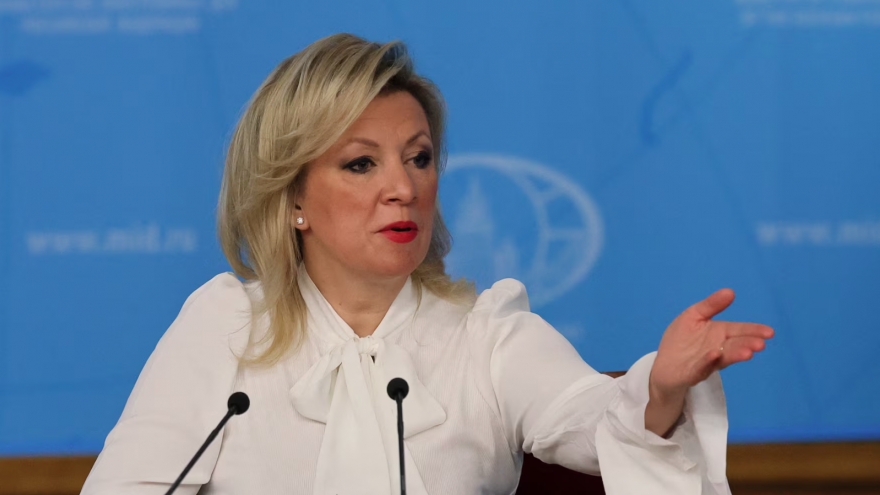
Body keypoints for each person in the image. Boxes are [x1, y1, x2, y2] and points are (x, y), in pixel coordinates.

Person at [80, 33, 773, 495]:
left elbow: (593, 423)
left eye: (419, 157)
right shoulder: (227, 325)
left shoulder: (487, 333)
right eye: (361, 164)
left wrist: (661, 389)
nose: (403, 187)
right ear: (293, 198)